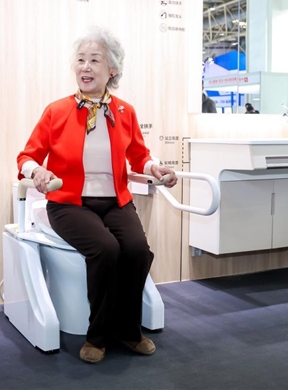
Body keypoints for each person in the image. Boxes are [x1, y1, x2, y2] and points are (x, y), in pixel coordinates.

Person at [17, 27, 177, 364]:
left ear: (112, 70)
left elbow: (139, 156)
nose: (85, 67)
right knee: (106, 249)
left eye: (94, 60)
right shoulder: (56, 111)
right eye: (80, 60)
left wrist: (155, 168)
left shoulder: (124, 112)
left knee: (138, 251)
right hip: (69, 203)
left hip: (116, 201)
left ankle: (129, 330)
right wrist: (37, 172)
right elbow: (27, 156)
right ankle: (98, 336)